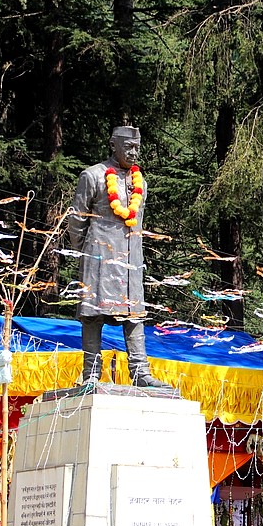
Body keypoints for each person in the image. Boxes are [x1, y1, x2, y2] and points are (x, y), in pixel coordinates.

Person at [67, 125, 171, 388]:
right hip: (98, 255)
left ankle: (140, 371)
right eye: (129, 147)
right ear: (113, 145)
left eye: (137, 148)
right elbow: (77, 219)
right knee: (93, 314)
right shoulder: (92, 175)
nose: (134, 153)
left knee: (134, 312)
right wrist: (84, 254)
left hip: (130, 259)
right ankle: (91, 372)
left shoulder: (140, 183)